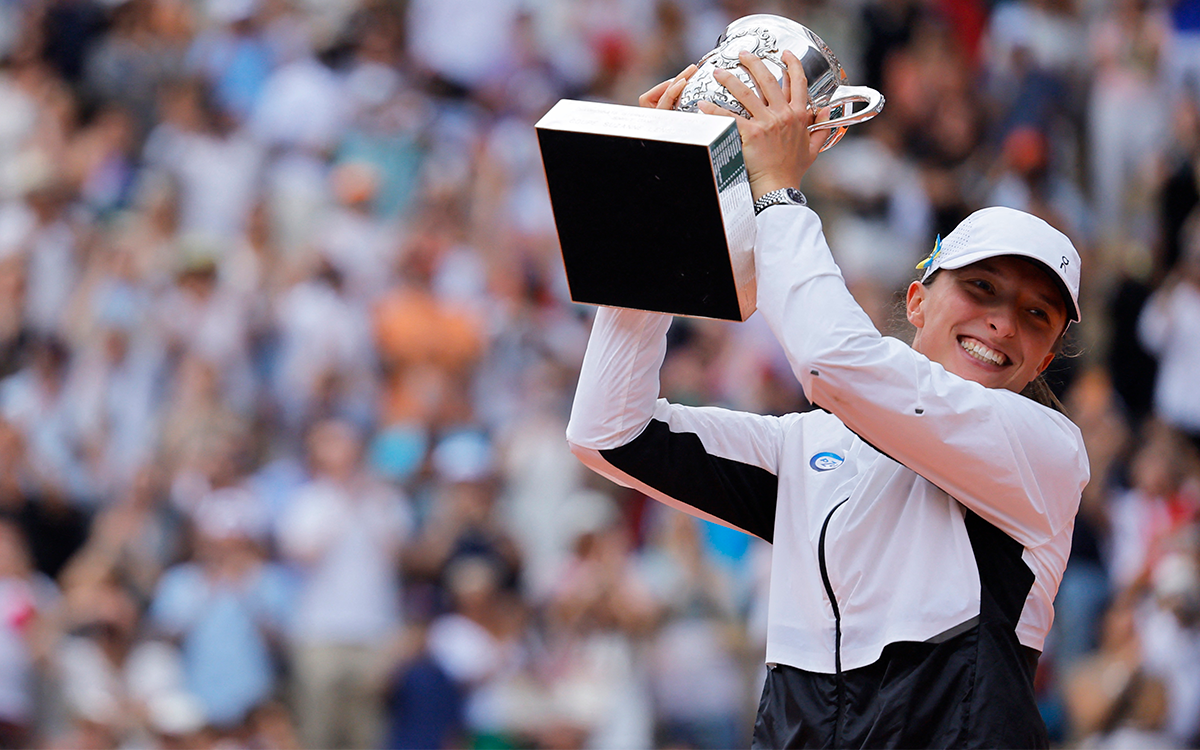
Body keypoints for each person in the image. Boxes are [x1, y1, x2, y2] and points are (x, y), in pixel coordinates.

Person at [565, 49, 1089, 749]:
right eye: (982, 288)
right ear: (918, 301)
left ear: (1044, 361)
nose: (1002, 323)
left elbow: (833, 362)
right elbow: (610, 432)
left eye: (1035, 316)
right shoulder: (810, 445)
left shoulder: (1044, 449)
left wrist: (778, 191)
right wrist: (667, 214)